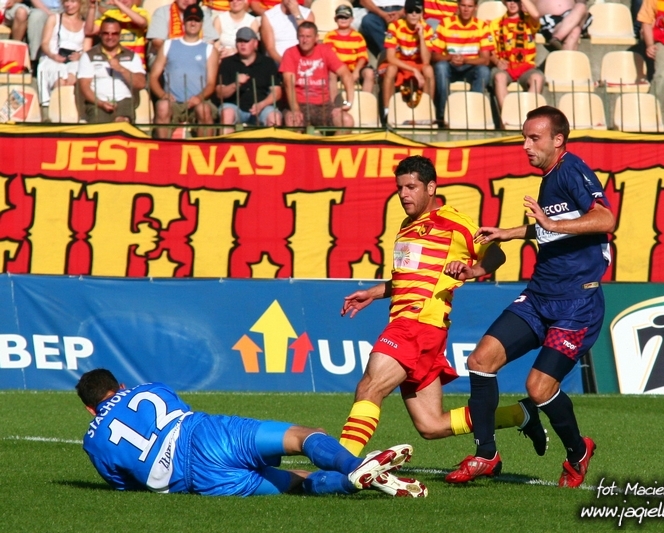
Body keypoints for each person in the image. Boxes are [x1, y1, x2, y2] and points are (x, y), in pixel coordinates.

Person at [338, 156, 543, 488]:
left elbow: (495, 253)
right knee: (431, 426)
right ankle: (520, 414)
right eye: (400, 188)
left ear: (431, 187)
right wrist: (373, 293)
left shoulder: (452, 222)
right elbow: (406, 279)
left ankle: (339, 465)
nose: (404, 194)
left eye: (411, 187)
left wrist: (472, 270)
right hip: (417, 328)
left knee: (369, 388)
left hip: (417, 325)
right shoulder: (406, 226)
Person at [446, 106, 615, 488]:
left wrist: (551, 222)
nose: (526, 145)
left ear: (559, 140)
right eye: (524, 137)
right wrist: (510, 233)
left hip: (576, 304)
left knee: (539, 388)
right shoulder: (550, 177)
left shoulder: (571, 169)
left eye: (534, 138)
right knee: (480, 361)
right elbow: (555, 227)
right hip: (540, 297)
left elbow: (605, 219)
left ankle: (578, 451)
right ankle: (486, 455)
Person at [76, 368, 427, 498]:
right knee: (302, 437)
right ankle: (355, 466)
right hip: (206, 436)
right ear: (121, 386)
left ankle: (351, 483)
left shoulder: (92, 441)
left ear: (91, 409)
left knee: (298, 481)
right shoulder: (148, 388)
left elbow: (125, 484)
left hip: (200, 482)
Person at [150, 4, 219, 138]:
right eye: (189, 20)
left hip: (198, 101)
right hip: (173, 103)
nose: (193, 23)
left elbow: (211, 83)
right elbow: (153, 77)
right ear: (184, 22)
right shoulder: (168, 44)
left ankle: (205, 148)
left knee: (204, 110)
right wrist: (163, 95)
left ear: (201, 23)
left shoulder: (210, 50)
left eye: (196, 20)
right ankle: (163, 147)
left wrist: (199, 98)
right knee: (162, 106)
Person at [280, 21, 354, 130]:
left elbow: (346, 74)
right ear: (297, 37)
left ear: (316, 38)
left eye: (308, 36)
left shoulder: (325, 51)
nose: (304, 40)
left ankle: (331, 142)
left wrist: (348, 103)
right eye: (302, 36)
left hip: (323, 106)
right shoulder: (290, 53)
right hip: (299, 103)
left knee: (347, 121)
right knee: (293, 121)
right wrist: (295, 110)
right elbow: (288, 83)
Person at [430, 0, 493, 126]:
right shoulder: (445, 23)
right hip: (450, 66)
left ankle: (474, 110)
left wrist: (465, 60)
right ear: (458, 6)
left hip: (470, 67)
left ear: (475, 8)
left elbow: (486, 60)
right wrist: (450, 57)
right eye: (463, 5)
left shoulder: (482, 26)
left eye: (470, 6)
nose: (466, 9)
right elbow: (434, 56)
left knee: (484, 71)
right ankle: (443, 114)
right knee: (440, 67)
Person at [77, 17, 146, 123]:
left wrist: (121, 69)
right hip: (97, 102)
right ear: (100, 34)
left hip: (124, 101)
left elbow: (140, 84)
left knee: (122, 123)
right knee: (102, 127)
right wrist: (100, 103)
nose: (110, 37)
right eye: (106, 33)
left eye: (114, 33)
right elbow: (84, 87)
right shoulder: (88, 56)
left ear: (120, 35)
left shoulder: (132, 56)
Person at [216, 26, 282, 132]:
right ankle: (226, 142)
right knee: (227, 113)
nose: (242, 44)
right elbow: (220, 93)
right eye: (239, 41)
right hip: (235, 107)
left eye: (246, 41)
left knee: (274, 117)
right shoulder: (227, 63)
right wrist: (235, 84)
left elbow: (277, 92)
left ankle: (273, 142)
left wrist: (262, 104)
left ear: (255, 43)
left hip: (262, 107)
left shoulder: (267, 63)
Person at [380, 0, 435, 118]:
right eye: (410, 11)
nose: (414, 14)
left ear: (422, 13)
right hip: (398, 63)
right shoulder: (395, 26)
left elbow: (426, 61)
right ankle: (387, 111)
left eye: (417, 11)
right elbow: (390, 58)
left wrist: (421, 36)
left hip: (416, 63)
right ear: (405, 12)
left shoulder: (427, 29)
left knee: (429, 69)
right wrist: (413, 70)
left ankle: (427, 110)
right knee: (391, 69)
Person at [490, 0, 544, 112]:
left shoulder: (528, 21)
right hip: (505, 66)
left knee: (537, 78)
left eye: (516, 0)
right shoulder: (495, 24)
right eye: (509, 0)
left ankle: (529, 116)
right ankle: (507, 117)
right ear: (504, 2)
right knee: (499, 77)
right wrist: (497, 62)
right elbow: (489, 50)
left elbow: (536, 14)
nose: (512, 3)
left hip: (526, 67)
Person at [36, 0, 84, 109]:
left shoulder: (84, 24)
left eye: (73, 1)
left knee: (72, 77)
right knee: (61, 80)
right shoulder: (54, 18)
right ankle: (58, 110)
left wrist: (80, 56)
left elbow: (86, 49)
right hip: (53, 57)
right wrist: (53, 55)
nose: (69, 5)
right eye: (66, 1)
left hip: (74, 61)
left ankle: (68, 110)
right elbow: (44, 43)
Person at [323, 5, 374, 97]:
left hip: (355, 68)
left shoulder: (358, 37)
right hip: (338, 68)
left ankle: (365, 101)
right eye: (340, 17)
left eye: (346, 17)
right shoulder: (330, 36)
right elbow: (332, 57)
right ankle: (333, 103)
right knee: (331, 73)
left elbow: (362, 57)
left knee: (369, 73)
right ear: (335, 19)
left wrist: (356, 71)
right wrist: (344, 73)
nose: (343, 19)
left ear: (352, 19)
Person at [146, 0, 219, 63]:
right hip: (166, 58)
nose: (186, 0)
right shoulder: (162, 12)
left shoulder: (202, 14)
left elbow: (210, 42)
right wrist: (181, 58)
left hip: (197, 58)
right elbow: (157, 43)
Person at [84, 0, 150, 65]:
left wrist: (118, 4)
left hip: (135, 62)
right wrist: (92, 7)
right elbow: (89, 31)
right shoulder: (110, 14)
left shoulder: (140, 12)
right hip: (113, 62)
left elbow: (142, 22)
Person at [261, 0, 313, 65]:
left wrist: (297, 14)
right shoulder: (269, 15)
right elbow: (270, 48)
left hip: (302, 62)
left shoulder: (307, 14)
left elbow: (308, 38)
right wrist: (285, 63)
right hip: (278, 62)